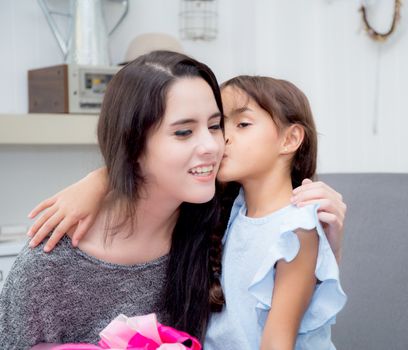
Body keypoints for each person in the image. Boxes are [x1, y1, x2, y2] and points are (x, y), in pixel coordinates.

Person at [2, 52, 347, 348]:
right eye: (184, 132)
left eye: (216, 126)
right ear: (133, 144)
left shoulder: (217, 222)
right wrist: (100, 179)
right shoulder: (51, 265)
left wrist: (327, 244)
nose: (214, 145)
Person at [204, 76, 346, 349]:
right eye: (219, 125)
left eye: (242, 124)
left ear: (290, 139)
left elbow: (277, 342)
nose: (223, 137)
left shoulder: (297, 227)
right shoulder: (231, 213)